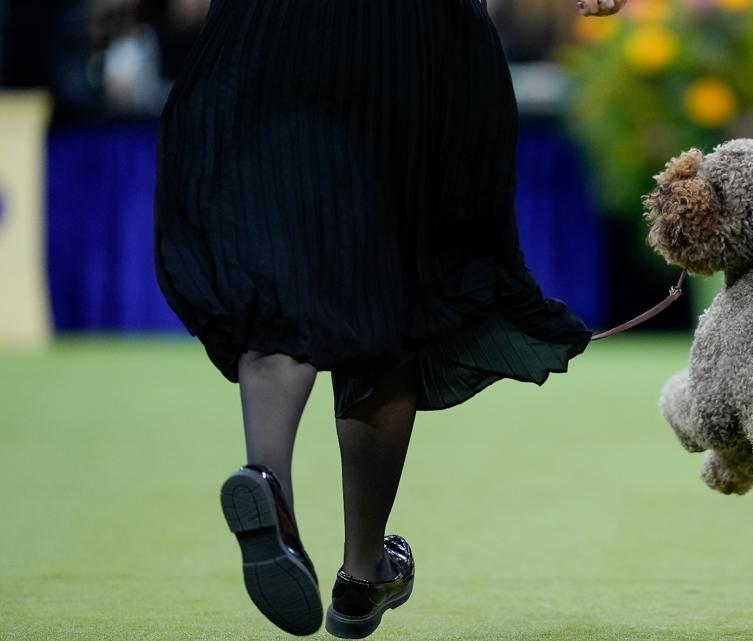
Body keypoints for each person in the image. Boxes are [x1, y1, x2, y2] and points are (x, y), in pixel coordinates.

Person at [153, 0, 626, 637]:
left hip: (268, 27)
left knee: (282, 272)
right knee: (400, 290)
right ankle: (364, 570)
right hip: (416, 34)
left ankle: (268, 480)